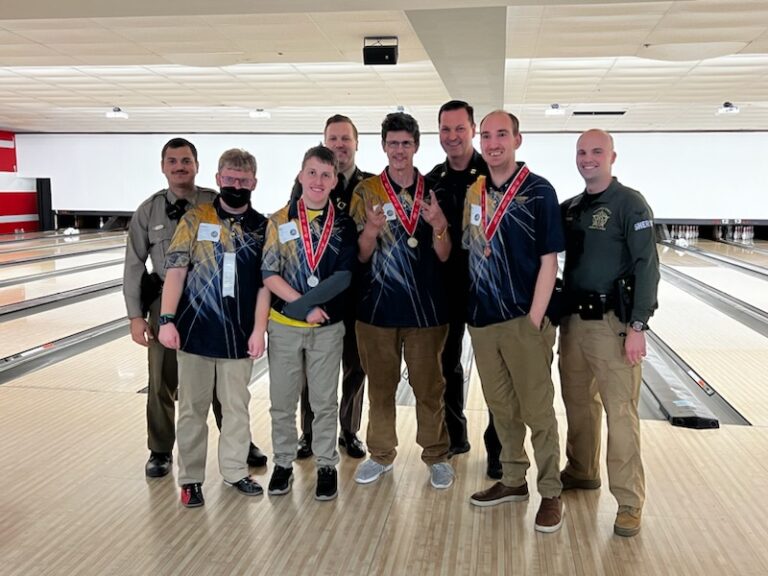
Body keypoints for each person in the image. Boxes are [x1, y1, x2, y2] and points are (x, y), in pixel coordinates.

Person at [464, 111, 564, 534]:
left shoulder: (540, 191)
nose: (493, 142)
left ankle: (551, 491)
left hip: (524, 321)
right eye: (485, 136)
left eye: (501, 134)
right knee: (501, 408)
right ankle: (511, 480)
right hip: (483, 322)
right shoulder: (475, 192)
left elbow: (549, 261)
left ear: (517, 139)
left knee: (538, 410)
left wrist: (534, 320)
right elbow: (474, 244)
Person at [559, 128, 660, 537]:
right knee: (578, 404)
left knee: (620, 415)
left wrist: (638, 325)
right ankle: (582, 470)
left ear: (612, 157)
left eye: (596, 151)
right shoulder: (573, 208)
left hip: (613, 325)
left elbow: (648, 266)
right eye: (581, 152)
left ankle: (630, 503)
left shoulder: (630, 204)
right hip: (574, 323)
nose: (587, 158)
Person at [157, 148, 269, 508]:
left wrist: (258, 330)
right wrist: (166, 319)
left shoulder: (262, 227)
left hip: (239, 336)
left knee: (237, 408)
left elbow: (266, 284)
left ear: (253, 182)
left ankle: (235, 471)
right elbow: (175, 272)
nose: (237, 185)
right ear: (219, 179)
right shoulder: (194, 219)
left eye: (243, 180)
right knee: (192, 409)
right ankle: (190, 478)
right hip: (194, 332)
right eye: (230, 179)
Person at [350, 112, 455, 490]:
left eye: (405, 143)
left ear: (416, 146)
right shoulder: (365, 191)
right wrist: (371, 231)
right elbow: (360, 256)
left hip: (427, 311)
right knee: (380, 388)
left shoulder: (435, 190)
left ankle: (436, 455)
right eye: (392, 143)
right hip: (376, 311)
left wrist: (440, 225)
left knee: (430, 388)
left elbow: (445, 255)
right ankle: (380, 454)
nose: (399, 150)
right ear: (383, 146)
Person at [263, 145, 357, 501]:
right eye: (312, 172)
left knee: (324, 402)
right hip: (285, 327)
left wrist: (300, 308)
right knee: (282, 401)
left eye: (326, 175)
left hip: (326, 328)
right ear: (301, 175)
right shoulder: (278, 221)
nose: (318, 180)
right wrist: (300, 310)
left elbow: (342, 278)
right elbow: (269, 273)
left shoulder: (344, 224)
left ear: (335, 181)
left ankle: (327, 465)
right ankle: (283, 463)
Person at [288, 115, 372, 460]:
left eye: (345, 139)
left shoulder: (370, 185)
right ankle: (309, 434)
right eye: (333, 139)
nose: (339, 144)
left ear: (356, 143)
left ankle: (349, 431)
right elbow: (293, 235)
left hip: (359, 293)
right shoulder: (310, 181)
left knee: (356, 366)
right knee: (313, 368)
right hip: (319, 294)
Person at [426, 100, 503, 478]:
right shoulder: (434, 179)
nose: (452, 136)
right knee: (447, 366)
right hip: (446, 290)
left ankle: (498, 449)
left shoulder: (495, 173)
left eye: (459, 128)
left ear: (472, 130)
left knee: (495, 371)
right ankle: (455, 436)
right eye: (445, 129)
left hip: (488, 291)